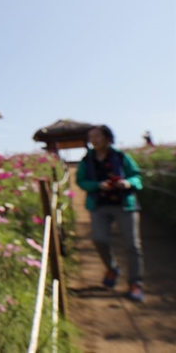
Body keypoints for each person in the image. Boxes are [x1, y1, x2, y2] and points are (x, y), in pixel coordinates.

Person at [76, 125, 145, 302]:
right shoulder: (87, 160)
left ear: (107, 137)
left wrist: (127, 183)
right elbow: (81, 180)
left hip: (124, 205)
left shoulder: (121, 156)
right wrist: (98, 185)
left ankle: (135, 283)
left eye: (97, 136)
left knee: (132, 245)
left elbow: (136, 176)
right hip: (99, 205)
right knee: (99, 239)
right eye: (91, 137)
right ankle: (112, 268)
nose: (94, 140)